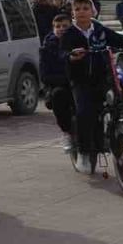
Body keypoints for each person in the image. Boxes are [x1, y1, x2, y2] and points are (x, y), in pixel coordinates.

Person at [62, 0, 123, 174]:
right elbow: (62, 53)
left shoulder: (99, 29)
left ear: (93, 11)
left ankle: (122, 128)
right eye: (77, 9)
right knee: (85, 111)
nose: (81, 12)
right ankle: (84, 152)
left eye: (85, 8)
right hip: (81, 81)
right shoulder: (69, 34)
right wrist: (71, 56)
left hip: (103, 77)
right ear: (73, 13)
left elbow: (117, 39)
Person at [41, 14, 76, 152]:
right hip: (59, 85)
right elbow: (44, 75)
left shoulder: (78, 40)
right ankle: (67, 133)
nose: (61, 29)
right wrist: (66, 80)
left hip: (80, 82)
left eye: (65, 26)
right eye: (58, 26)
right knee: (58, 95)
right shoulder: (47, 48)